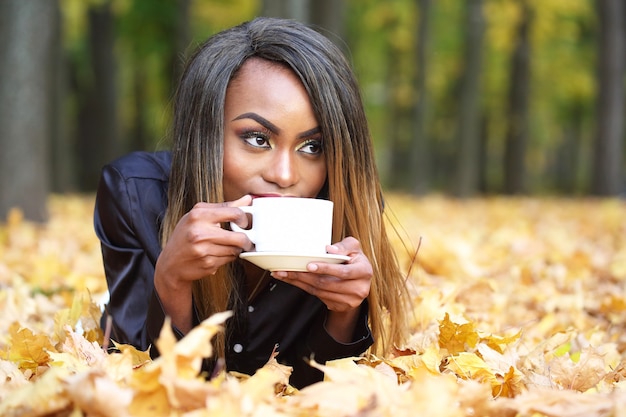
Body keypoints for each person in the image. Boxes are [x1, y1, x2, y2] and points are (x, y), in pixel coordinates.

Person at [94, 16, 410, 389]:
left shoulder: (340, 207)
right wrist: (171, 282)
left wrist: (345, 314)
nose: (285, 174)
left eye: (313, 147)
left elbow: (320, 394)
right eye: (258, 138)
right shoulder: (135, 194)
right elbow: (135, 380)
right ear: (205, 134)